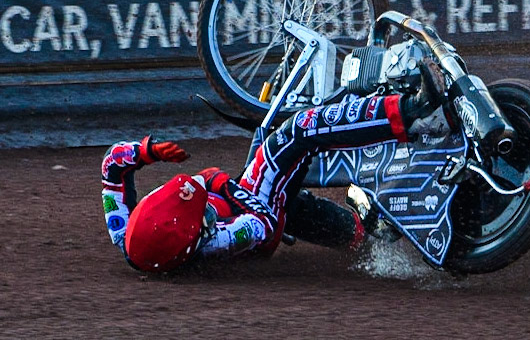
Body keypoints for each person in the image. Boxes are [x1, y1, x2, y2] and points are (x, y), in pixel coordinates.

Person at [101, 62, 449, 272]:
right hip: (257, 207)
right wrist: (218, 183)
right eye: (200, 211)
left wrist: (147, 151)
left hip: (246, 198)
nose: (196, 188)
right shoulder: (221, 240)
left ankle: (373, 229)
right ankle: (410, 111)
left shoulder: (124, 233)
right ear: (199, 236)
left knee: (347, 232)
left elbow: (111, 167)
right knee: (298, 131)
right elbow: (261, 225)